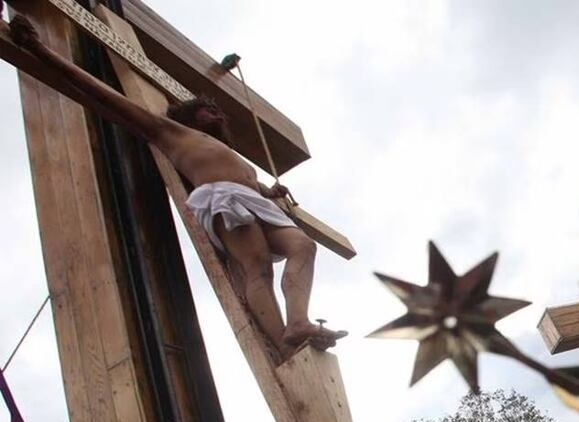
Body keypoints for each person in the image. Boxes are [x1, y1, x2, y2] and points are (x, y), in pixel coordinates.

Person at [8, 15, 345, 360]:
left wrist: (267, 191)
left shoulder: (225, 151)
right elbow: (105, 96)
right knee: (257, 266)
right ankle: (284, 342)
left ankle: (298, 321)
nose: (215, 111)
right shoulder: (171, 133)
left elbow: (246, 180)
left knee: (303, 245)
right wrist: (39, 50)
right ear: (186, 114)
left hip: (249, 199)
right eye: (206, 108)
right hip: (223, 200)